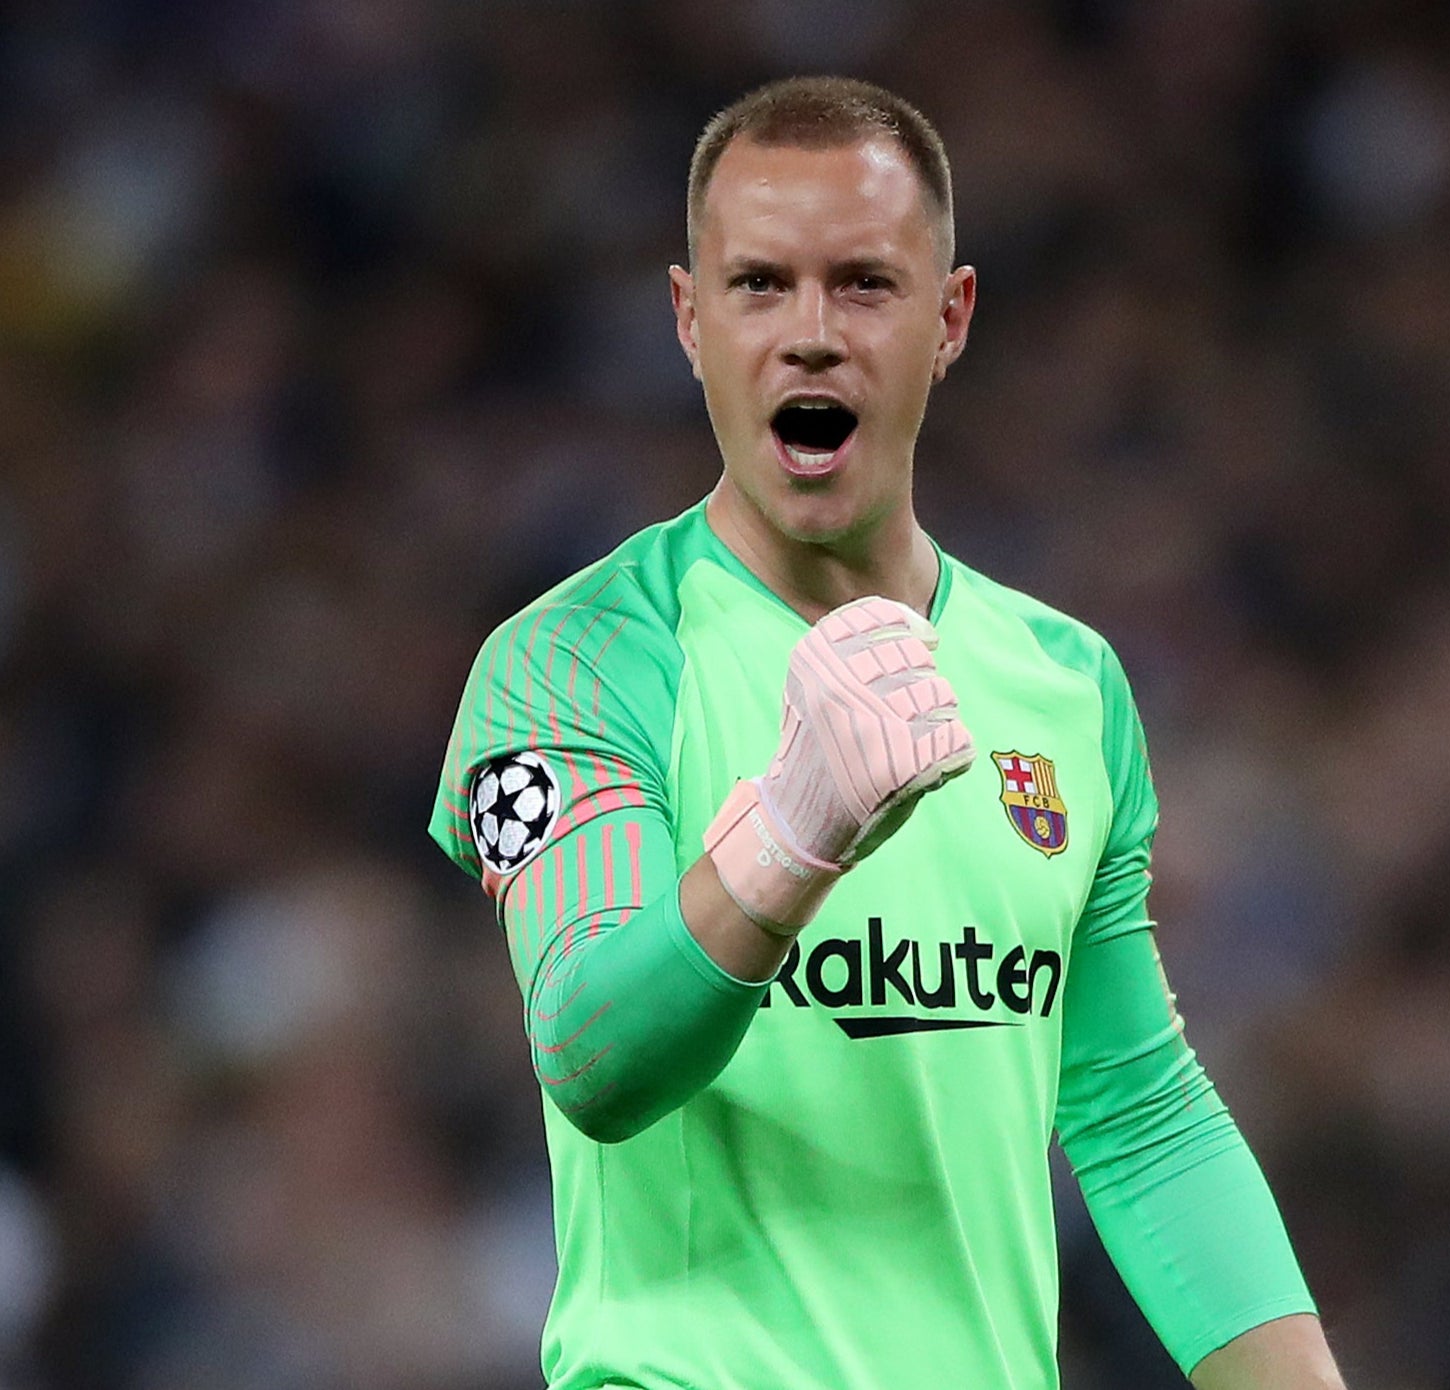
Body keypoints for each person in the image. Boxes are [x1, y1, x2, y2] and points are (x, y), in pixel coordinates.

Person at [431, 75, 1345, 1390]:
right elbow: (590, 1047)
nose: (810, 334)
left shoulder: (1066, 686)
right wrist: (793, 838)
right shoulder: (575, 661)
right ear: (689, 321)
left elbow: (1137, 1114)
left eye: (863, 282)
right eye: (758, 285)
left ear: (949, 316)